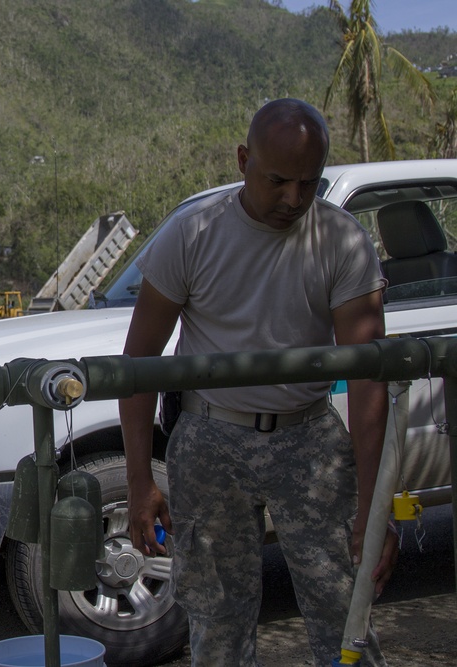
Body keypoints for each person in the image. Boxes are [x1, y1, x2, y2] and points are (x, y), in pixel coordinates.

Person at [118, 98, 398, 666]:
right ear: (244, 159)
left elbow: (369, 380)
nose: (293, 199)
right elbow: (138, 364)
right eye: (277, 180)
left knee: (347, 611)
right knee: (217, 625)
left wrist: (374, 507)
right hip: (209, 438)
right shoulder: (192, 234)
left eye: (308, 183)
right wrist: (141, 481)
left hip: (309, 438)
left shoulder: (342, 241)